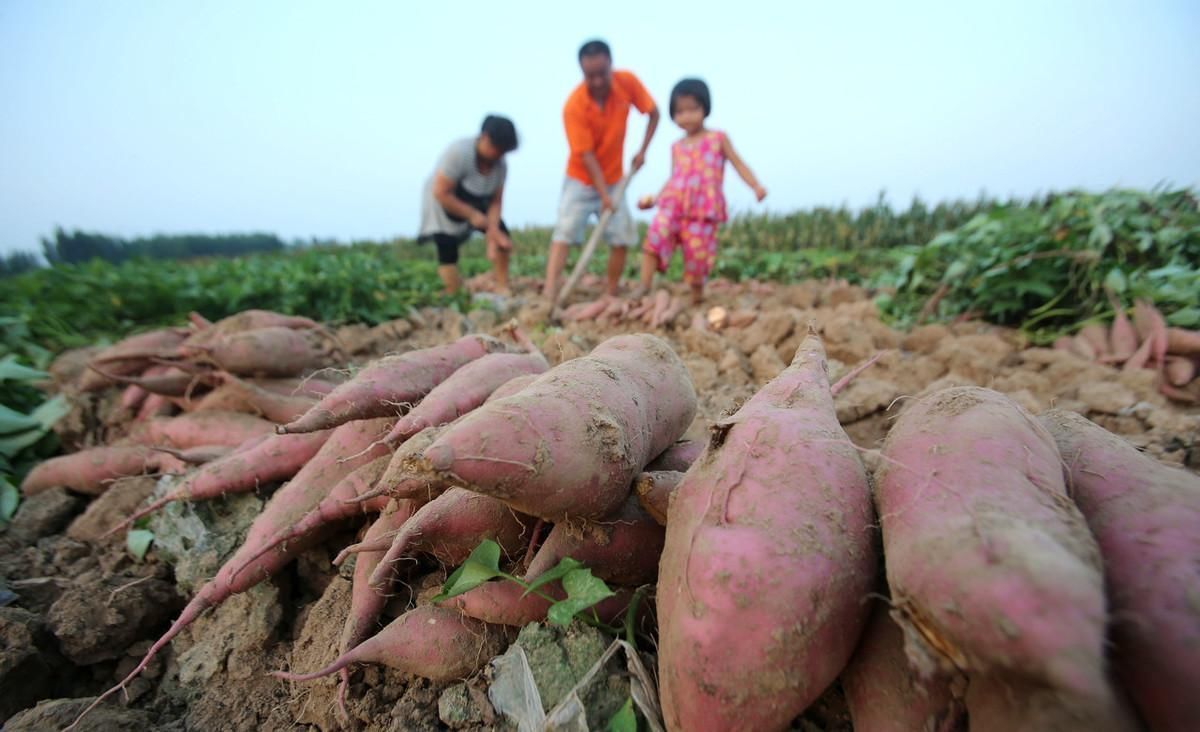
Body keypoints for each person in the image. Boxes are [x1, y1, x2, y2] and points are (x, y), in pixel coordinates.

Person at [542, 39, 660, 301]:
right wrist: (603, 195)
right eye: (590, 75)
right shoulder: (574, 106)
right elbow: (586, 156)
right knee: (565, 231)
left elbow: (654, 113)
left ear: (611, 65)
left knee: (621, 236)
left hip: (616, 177)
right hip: (581, 179)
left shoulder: (627, 83)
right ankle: (550, 290)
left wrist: (643, 150)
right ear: (582, 72)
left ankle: (611, 291)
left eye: (602, 74)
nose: (597, 81)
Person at [636, 78, 766, 304]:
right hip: (674, 204)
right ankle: (643, 286)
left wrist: (755, 185)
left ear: (705, 108)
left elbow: (738, 163)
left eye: (693, 109)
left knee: (698, 258)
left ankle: (696, 296)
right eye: (680, 112)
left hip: (702, 209)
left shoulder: (718, 138)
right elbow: (674, 177)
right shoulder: (677, 147)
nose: (686, 116)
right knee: (656, 234)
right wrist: (655, 199)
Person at [418, 115, 518, 295]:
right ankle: (453, 293)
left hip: (476, 198)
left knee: (502, 236)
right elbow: (441, 192)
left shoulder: (500, 165)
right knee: (446, 246)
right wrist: (472, 215)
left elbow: (496, 201)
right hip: (444, 199)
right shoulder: (459, 153)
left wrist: (493, 231)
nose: (499, 155)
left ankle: (502, 286)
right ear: (485, 138)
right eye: (497, 148)